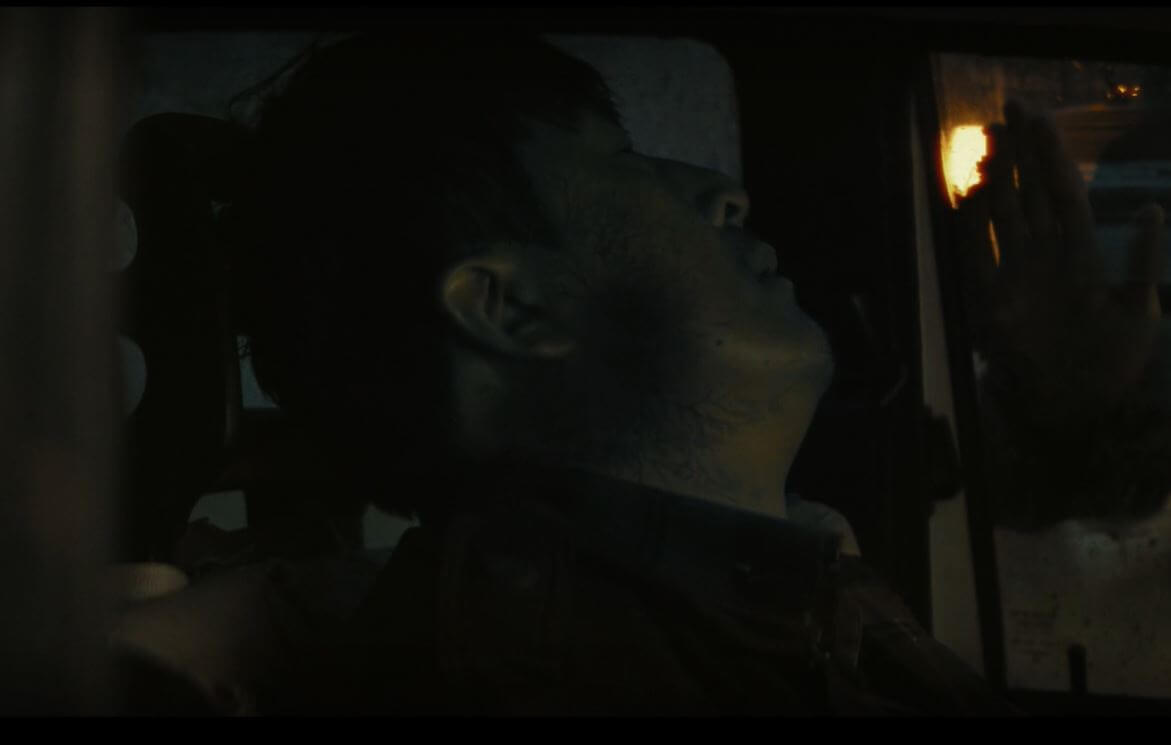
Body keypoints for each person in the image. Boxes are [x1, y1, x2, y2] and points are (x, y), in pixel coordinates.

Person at [116, 30, 1168, 715]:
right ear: (511, 306)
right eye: (618, 162)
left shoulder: (757, 579)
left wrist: (1079, 403)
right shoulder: (577, 673)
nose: (722, 192)